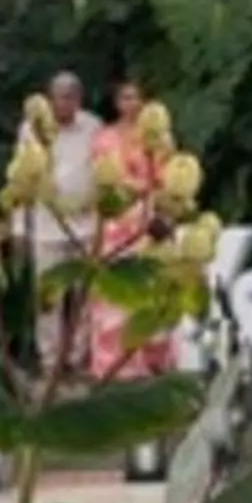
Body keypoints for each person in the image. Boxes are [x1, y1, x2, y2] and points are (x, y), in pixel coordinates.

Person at [86, 81, 177, 385]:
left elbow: (167, 179)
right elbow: (103, 179)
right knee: (114, 294)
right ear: (116, 102)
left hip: (148, 221)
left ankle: (152, 360)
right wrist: (134, 187)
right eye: (125, 97)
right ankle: (113, 365)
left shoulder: (159, 139)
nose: (131, 103)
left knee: (150, 289)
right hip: (115, 222)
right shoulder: (104, 138)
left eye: (136, 97)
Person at [17, 70, 102, 372]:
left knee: (84, 295)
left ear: (79, 99)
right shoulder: (31, 129)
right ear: (49, 98)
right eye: (58, 97)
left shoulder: (93, 126)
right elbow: (22, 174)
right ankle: (50, 358)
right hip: (45, 225)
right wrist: (19, 227)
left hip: (86, 224)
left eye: (70, 97)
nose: (63, 103)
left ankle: (78, 357)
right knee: (48, 296)